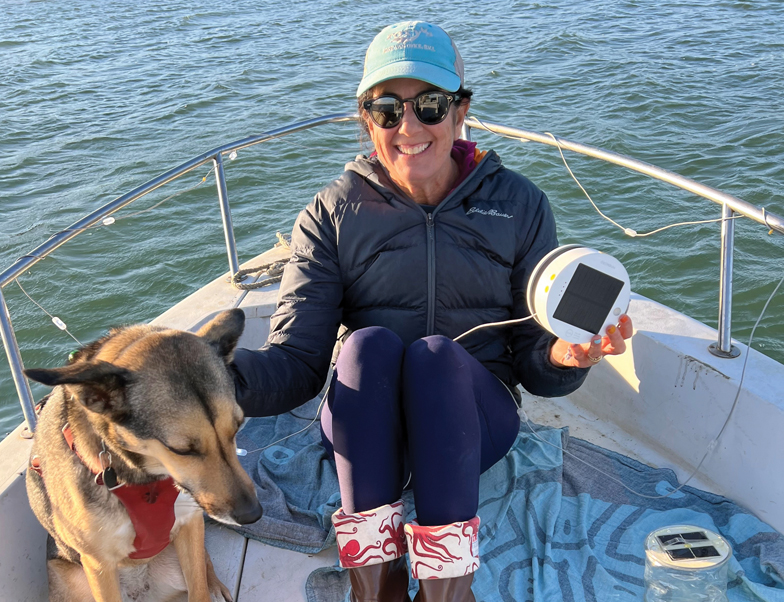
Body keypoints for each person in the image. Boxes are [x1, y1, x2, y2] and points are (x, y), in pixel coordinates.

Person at [231, 21, 633, 602]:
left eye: (431, 105)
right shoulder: (331, 212)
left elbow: (533, 364)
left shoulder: (519, 204)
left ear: (460, 110)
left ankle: (448, 592)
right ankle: (377, 587)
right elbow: (297, 362)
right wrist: (213, 377)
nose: (410, 126)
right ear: (367, 120)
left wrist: (566, 354)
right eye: (388, 109)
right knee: (365, 346)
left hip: (472, 425)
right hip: (369, 436)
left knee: (437, 357)